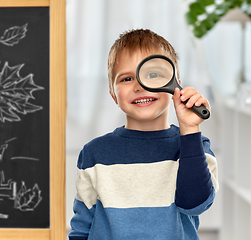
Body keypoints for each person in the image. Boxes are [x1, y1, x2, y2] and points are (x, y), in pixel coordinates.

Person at [68, 29, 219, 240]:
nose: (140, 85)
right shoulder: (94, 153)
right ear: (113, 94)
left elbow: (195, 204)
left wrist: (190, 129)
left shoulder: (195, 145)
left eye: (153, 75)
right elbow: (82, 227)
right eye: (127, 78)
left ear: (175, 85)